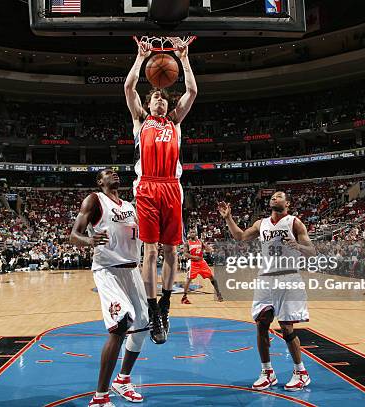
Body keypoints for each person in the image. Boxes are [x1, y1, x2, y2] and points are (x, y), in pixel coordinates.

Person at [124, 37, 197, 344]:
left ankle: (165, 305)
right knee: (150, 250)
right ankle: (152, 310)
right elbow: (129, 89)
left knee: (170, 250)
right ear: (148, 102)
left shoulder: (175, 122)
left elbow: (192, 91)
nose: (160, 102)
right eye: (155, 98)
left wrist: (183, 58)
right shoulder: (140, 121)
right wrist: (141, 58)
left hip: (171, 187)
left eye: (164, 100)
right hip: (147, 186)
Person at [218, 191, 315, 391]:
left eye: (279, 196)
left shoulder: (294, 222)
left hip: (288, 277)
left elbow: (312, 251)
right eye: (272, 196)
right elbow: (240, 236)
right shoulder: (261, 223)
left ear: (287, 203)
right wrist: (228, 218)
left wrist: (298, 245)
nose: (274, 198)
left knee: (287, 328)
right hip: (266, 278)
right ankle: (267, 372)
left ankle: (301, 372)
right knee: (261, 324)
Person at [70, 169, 148, 407]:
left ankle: (122, 380)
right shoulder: (94, 199)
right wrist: (88, 240)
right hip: (108, 269)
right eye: (107, 173)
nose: (113, 174)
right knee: (120, 324)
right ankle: (100, 397)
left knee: (143, 324)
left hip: (132, 269)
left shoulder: (129, 206)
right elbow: (74, 235)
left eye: (115, 172)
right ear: (99, 181)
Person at [181, 230, 223, 304]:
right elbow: (185, 254)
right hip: (193, 263)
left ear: (196, 233)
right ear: (189, 234)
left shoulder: (200, 241)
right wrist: (194, 257)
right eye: (191, 232)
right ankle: (184, 297)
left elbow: (207, 249)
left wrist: (211, 249)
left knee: (212, 277)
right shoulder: (187, 243)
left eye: (194, 232)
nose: (192, 233)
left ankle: (218, 293)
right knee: (189, 279)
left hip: (202, 262)